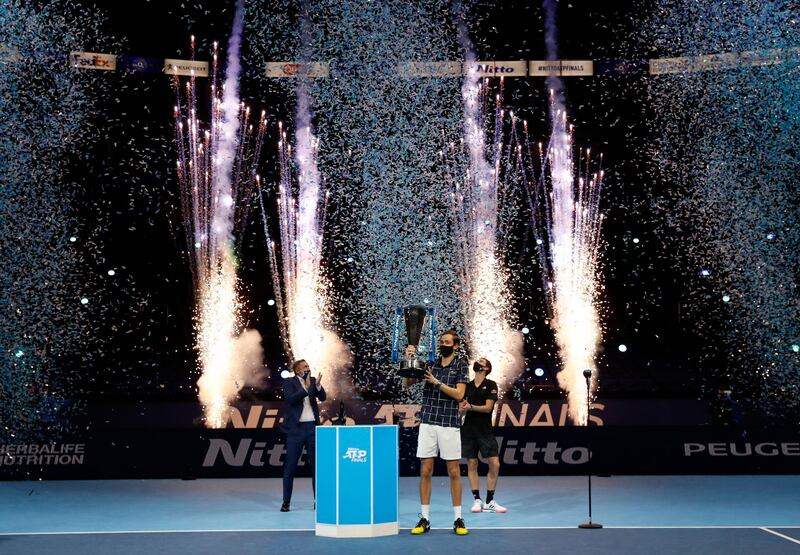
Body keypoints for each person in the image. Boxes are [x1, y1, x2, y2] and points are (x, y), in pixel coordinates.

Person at [403, 330, 469, 536]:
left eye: (447, 342)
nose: (443, 345)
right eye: (441, 342)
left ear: (456, 345)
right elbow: (407, 384)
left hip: (449, 423)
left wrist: (437, 382)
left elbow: (459, 394)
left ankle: (458, 519)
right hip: (428, 422)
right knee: (425, 471)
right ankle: (425, 518)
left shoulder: (461, 364)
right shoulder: (429, 364)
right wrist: (409, 361)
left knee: (454, 472)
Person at [460, 358, 507, 513]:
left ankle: (489, 501)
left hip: (485, 430)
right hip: (468, 430)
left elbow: (488, 408)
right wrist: (461, 410)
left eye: (481, 361)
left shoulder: (491, 385)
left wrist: (470, 407)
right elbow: (461, 408)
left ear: (486, 368)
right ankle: (477, 500)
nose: (477, 362)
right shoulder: (466, 386)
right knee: (472, 465)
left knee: (495, 464)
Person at [280, 359, 326, 512]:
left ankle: (318, 501)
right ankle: (286, 502)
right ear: (297, 369)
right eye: (305, 366)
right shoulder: (289, 382)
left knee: (316, 466)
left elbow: (323, 397)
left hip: (312, 428)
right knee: (290, 467)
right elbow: (290, 399)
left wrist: (318, 385)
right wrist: (305, 389)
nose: (308, 368)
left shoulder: (312, 381)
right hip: (295, 430)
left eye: (308, 365)